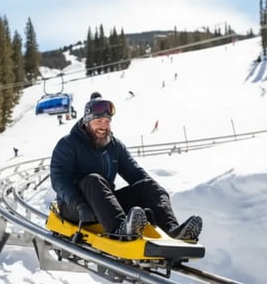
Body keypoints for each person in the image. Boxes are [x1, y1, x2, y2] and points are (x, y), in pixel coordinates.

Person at [50, 94, 202, 241]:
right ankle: (119, 230)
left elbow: (136, 174)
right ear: (86, 122)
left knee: (149, 187)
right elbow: (59, 179)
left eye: (107, 121)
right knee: (93, 180)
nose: (103, 126)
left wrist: (156, 193)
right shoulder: (69, 144)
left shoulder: (115, 146)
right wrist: (79, 204)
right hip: (74, 207)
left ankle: (171, 232)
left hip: (104, 206)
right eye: (98, 121)